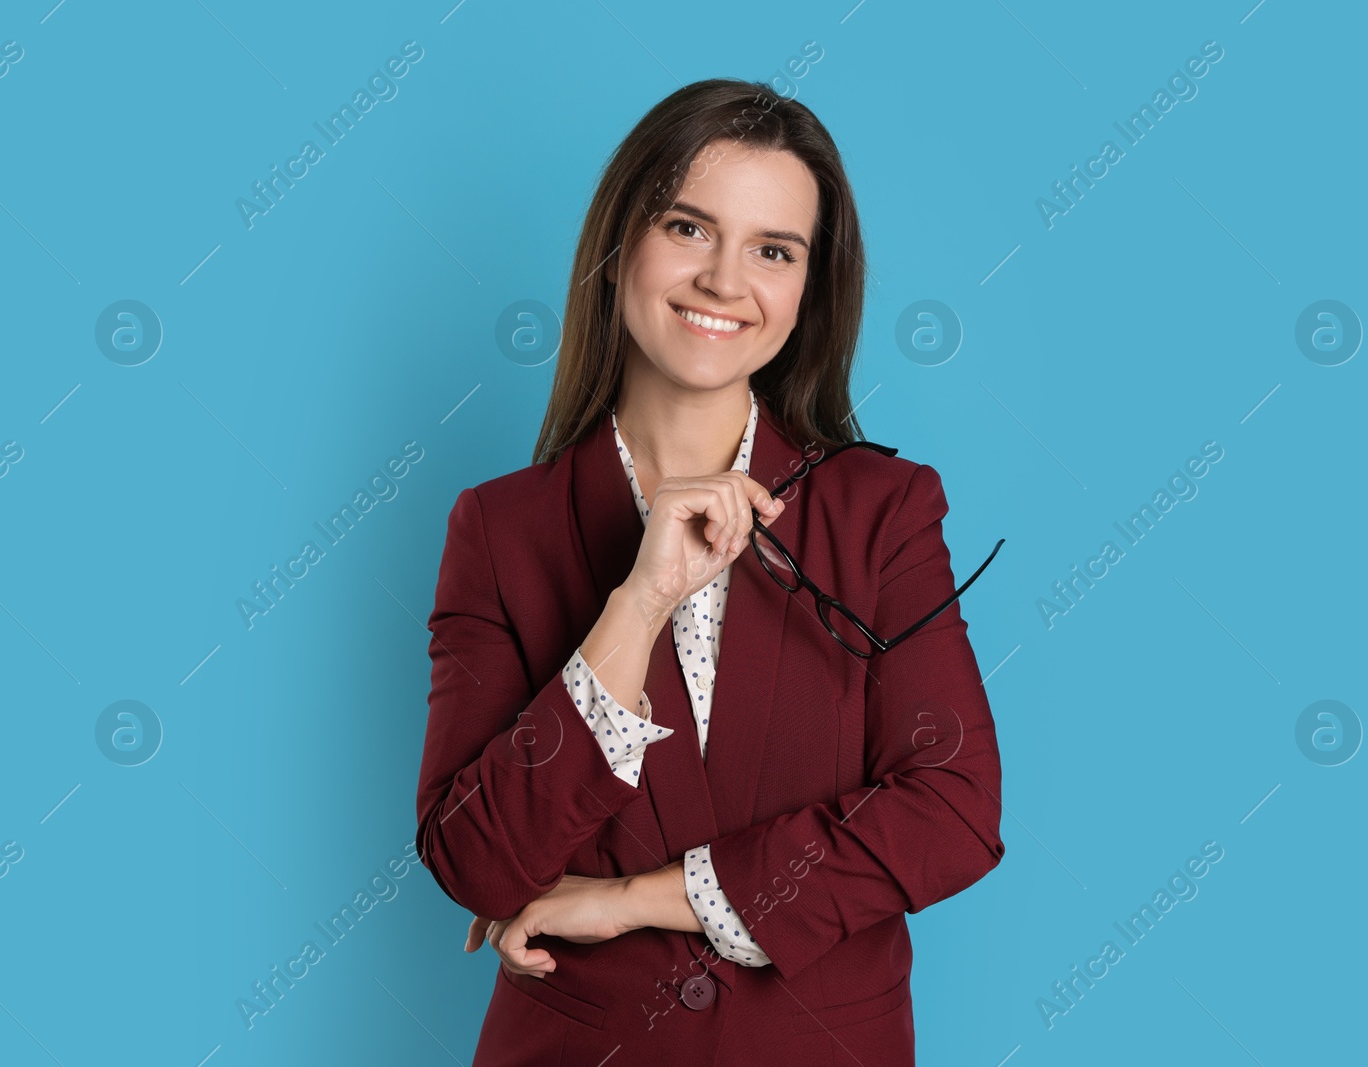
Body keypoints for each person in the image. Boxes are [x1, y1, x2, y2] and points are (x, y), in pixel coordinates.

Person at [414, 77, 1005, 1065]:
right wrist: (639, 598)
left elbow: (950, 809)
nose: (725, 280)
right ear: (619, 248)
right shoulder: (499, 528)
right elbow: (475, 858)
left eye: (772, 250)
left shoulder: (882, 511)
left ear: (807, 289)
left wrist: (631, 899)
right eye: (689, 229)